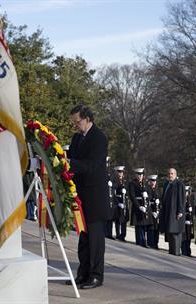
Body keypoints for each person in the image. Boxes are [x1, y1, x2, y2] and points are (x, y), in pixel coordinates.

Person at [67, 104, 108, 289]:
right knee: (83, 238)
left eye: (78, 121)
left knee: (95, 240)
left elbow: (92, 165)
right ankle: (83, 273)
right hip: (81, 195)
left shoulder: (99, 138)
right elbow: (73, 160)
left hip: (95, 196)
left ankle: (96, 275)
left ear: (87, 119)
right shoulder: (76, 138)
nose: (76, 125)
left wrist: (71, 164)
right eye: (74, 122)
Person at [160, 168, 185, 256]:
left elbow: (181, 198)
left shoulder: (179, 184)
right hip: (168, 211)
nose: (170, 175)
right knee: (170, 231)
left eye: (172, 173)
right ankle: (171, 250)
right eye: (169, 173)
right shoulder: (167, 183)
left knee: (175, 232)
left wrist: (180, 211)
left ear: (175, 174)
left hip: (175, 212)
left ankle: (176, 252)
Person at [129, 168, 152, 247]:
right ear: (136, 175)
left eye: (141, 175)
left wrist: (147, 196)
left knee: (144, 224)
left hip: (145, 206)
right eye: (138, 175)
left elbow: (150, 194)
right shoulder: (132, 183)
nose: (140, 176)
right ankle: (140, 241)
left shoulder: (145, 184)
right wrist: (139, 207)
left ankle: (143, 241)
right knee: (138, 225)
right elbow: (132, 196)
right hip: (137, 207)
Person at [113, 166, 129, 241]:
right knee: (118, 219)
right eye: (119, 172)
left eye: (122, 172)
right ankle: (118, 234)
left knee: (124, 219)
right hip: (118, 201)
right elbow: (113, 193)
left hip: (124, 202)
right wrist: (118, 203)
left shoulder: (125, 181)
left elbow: (128, 191)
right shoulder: (115, 181)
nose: (120, 174)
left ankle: (123, 235)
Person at [146, 175, 161, 249]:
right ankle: (150, 243)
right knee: (151, 228)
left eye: (154, 181)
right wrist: (151, 212)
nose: (153, 182)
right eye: (152, 181)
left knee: (156, 229)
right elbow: (147, 202)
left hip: (157, 212)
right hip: (150, 212)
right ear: (149, 181)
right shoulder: (147, 190)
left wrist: (158, 211)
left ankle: (155, 243)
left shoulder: (158, 190)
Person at [181, 186, 194, 256]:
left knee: (189, 237)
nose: (187, 193)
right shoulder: (182, 200)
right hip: (184, 221)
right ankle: (184, 250)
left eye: (188, 192)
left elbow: (193, 211)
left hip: (189, 222)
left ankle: (188, 251)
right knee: (184, 237)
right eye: (186, 192)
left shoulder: (190, 200)